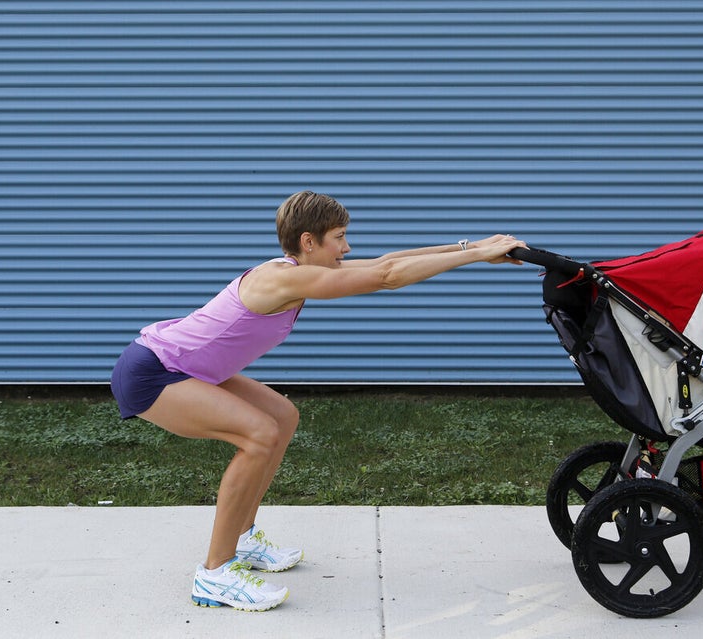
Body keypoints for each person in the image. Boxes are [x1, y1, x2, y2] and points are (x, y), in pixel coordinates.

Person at [110, 191, 525, 611]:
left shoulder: (297, 270)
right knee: (259, 434)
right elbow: (388, 276)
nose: (346, 248)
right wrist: (475, 257)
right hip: (153, 372)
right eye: (339, 238)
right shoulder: (283, 278)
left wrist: (471, 247)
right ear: (309, 242)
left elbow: (386, 262)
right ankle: (214, 574)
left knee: (282, 416)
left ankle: (243, 538)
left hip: (184, 368)